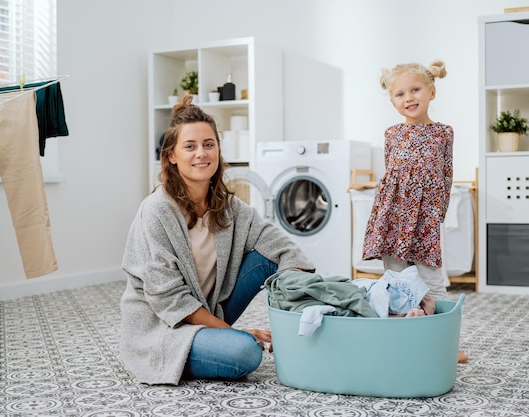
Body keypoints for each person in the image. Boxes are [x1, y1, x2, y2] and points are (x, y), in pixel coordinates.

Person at [119, 95, 315, 385]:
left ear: (218, 150)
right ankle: (214, 344)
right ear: (172, 156)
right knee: (245, 353)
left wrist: (301, 303)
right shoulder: (156, 211)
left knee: (272, 257)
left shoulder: (229, 207)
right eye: (190, 146)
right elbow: (170, 301)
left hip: (206, 311)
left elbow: (285, 250)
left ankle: (295, 338)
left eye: (208, 144)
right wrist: (235, 333)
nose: (201, 153)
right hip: (163, 330)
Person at [362, 61, 468, 363]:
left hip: (424, 219)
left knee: (433, 282)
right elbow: (391, 177)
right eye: (399, 94)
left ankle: (444, 346)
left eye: (415, 89)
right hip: (393, 216)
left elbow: (447, 174)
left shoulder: (443, 133)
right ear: (393, 100)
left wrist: (438, 214)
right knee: (396, 283)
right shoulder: (391, 133)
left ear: (432, 91)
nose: (408, 98)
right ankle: (402, 342)